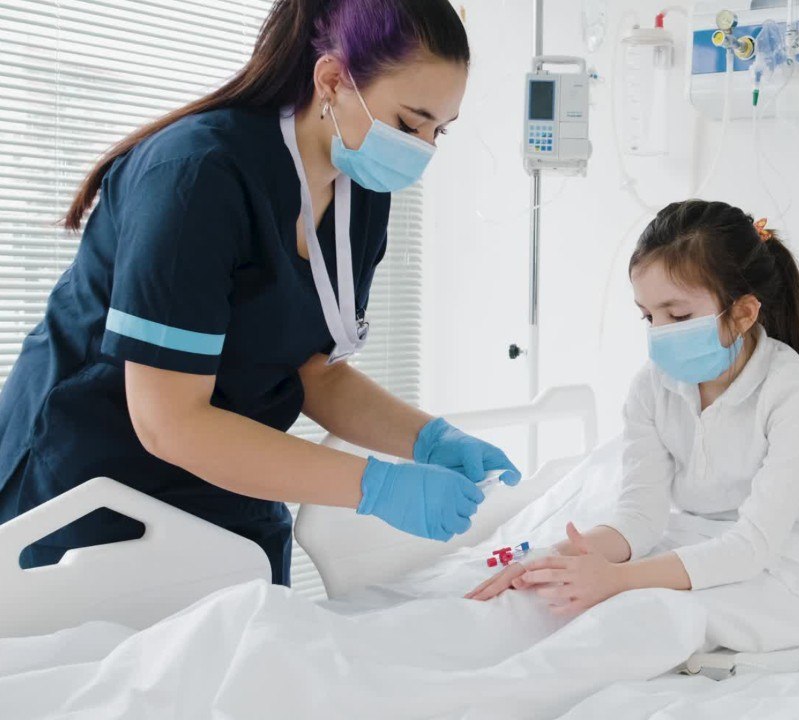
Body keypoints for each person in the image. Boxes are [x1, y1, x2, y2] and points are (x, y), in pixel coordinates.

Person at [0, 0, 519, 586]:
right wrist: (374, 486)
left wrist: (429, 439)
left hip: (228, 480)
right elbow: (169, 421)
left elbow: (312, 372)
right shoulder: (197, 176)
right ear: (332, 80)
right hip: (94, 490)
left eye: (438, 131)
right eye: (409, 124)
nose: (423, 150)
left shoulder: (360, 192)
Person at [468, 200, 799, 652]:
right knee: (538, 602)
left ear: (743, 314)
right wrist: (551, 559)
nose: (659, 332)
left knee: (630, 621)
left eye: (678, 316)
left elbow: (753, 545)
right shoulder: (652, 387)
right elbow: (641, 517)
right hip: (688, 546)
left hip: (784, 570)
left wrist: (617, 580)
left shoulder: (794, 394)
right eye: (648, 316)